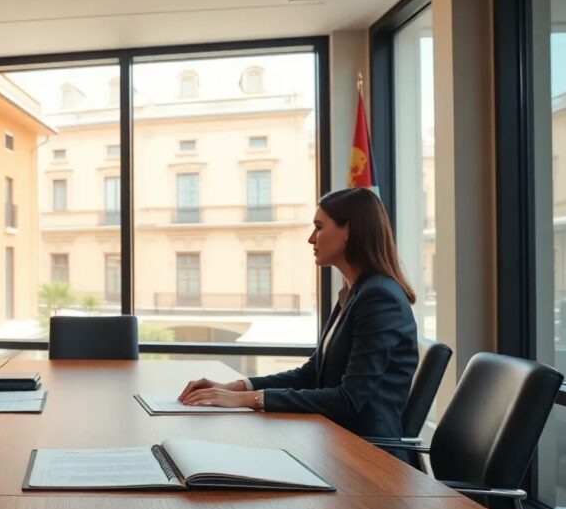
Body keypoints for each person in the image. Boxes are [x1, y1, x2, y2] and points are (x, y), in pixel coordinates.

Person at [178, 187, 418, 440]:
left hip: (367, 455)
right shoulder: (354, 292)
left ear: (348, 230)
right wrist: (234, 387)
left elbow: (349, 399)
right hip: (335, 440)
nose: (311, 238)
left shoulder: (378, 298)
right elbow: (310, 375)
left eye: (319, 227)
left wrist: (245, 399)